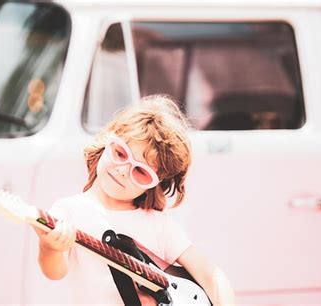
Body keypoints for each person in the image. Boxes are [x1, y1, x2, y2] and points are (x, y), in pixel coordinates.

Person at [33, 95, 235, 305]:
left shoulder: (157, 224)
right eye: (120, 153)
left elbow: (211, 276)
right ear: (107, 143)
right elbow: (55, 272)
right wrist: (50, 247)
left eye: (140, 171)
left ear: (154, 184)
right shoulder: (69, 211)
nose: (122, 171)